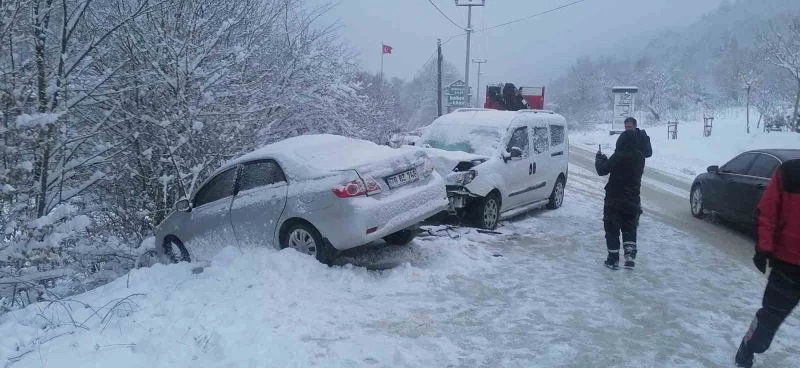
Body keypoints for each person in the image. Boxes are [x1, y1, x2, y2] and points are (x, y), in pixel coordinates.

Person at [735, 159, 800, 368]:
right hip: (788, 264)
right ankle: (748, 347)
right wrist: (764, 247)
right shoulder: (790, 172)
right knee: (769, 318)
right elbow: (767, 211)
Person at [595, 130, 645, 269]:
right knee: (629, 227)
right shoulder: (640, 157)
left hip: (614, 199)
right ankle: (629, 256)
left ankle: (613, 259)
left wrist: (599, 159)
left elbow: (602, 170)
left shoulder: (618, 156)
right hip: (632, 199)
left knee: (612, 228)